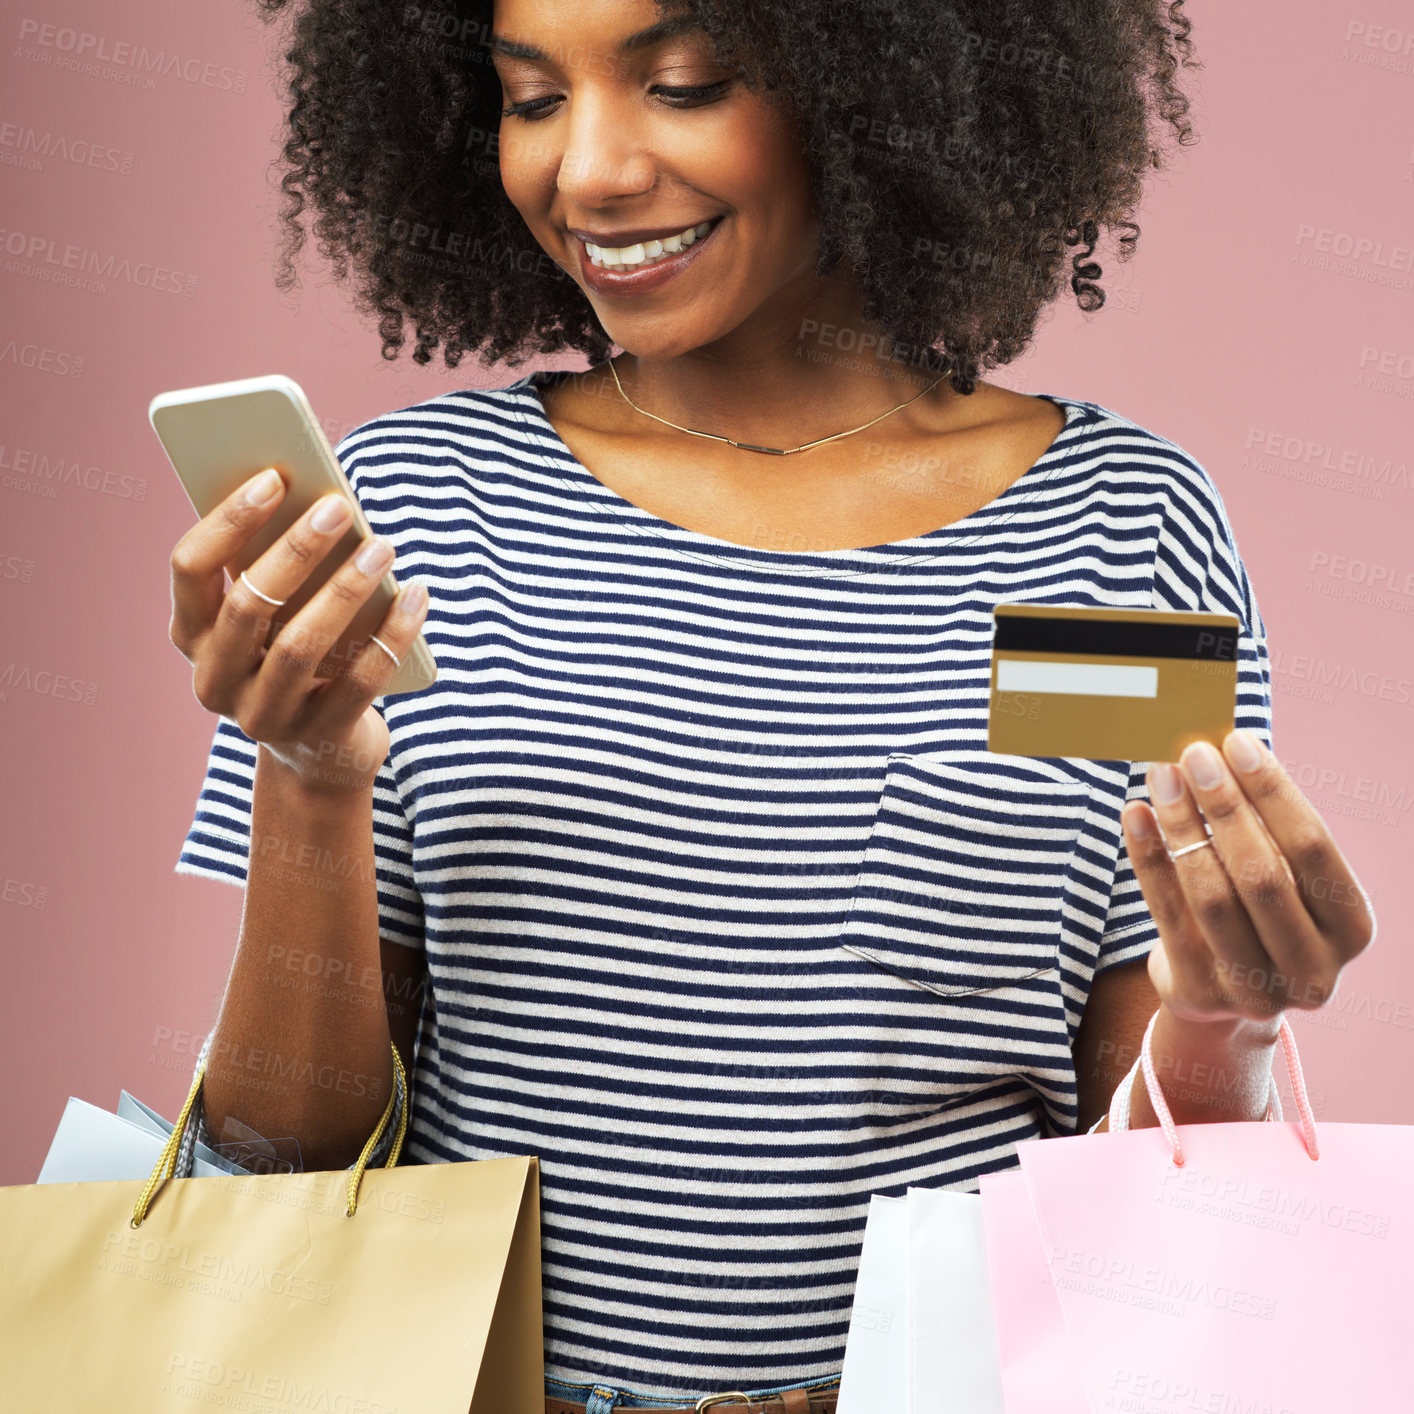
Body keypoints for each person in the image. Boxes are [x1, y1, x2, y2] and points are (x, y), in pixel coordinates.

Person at [166, 1, 1375, 1409]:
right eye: (531, 99)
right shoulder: (419, 513)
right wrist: (310, 767)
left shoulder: (1109, 540)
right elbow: (279, 1181)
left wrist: (1224, 1023)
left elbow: (1137, 1207)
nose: (590, 172)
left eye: (682, 84)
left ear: (880, 87)